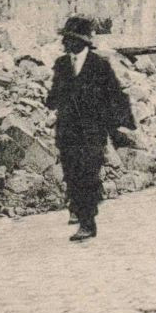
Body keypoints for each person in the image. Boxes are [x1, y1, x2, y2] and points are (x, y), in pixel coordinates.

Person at [45, 15, 135, 242]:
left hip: (92, 131)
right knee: (72, 173)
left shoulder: (100, 65)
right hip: (67, 131)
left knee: (88, 173)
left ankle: (87, 222)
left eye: (69, 39)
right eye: (65, 39)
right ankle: (79, 206)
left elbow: (115, 94)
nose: (64, 44)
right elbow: (54, 94)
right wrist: (52, 101)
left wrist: (121, 125)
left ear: (81, 42)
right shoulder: (62, 64)